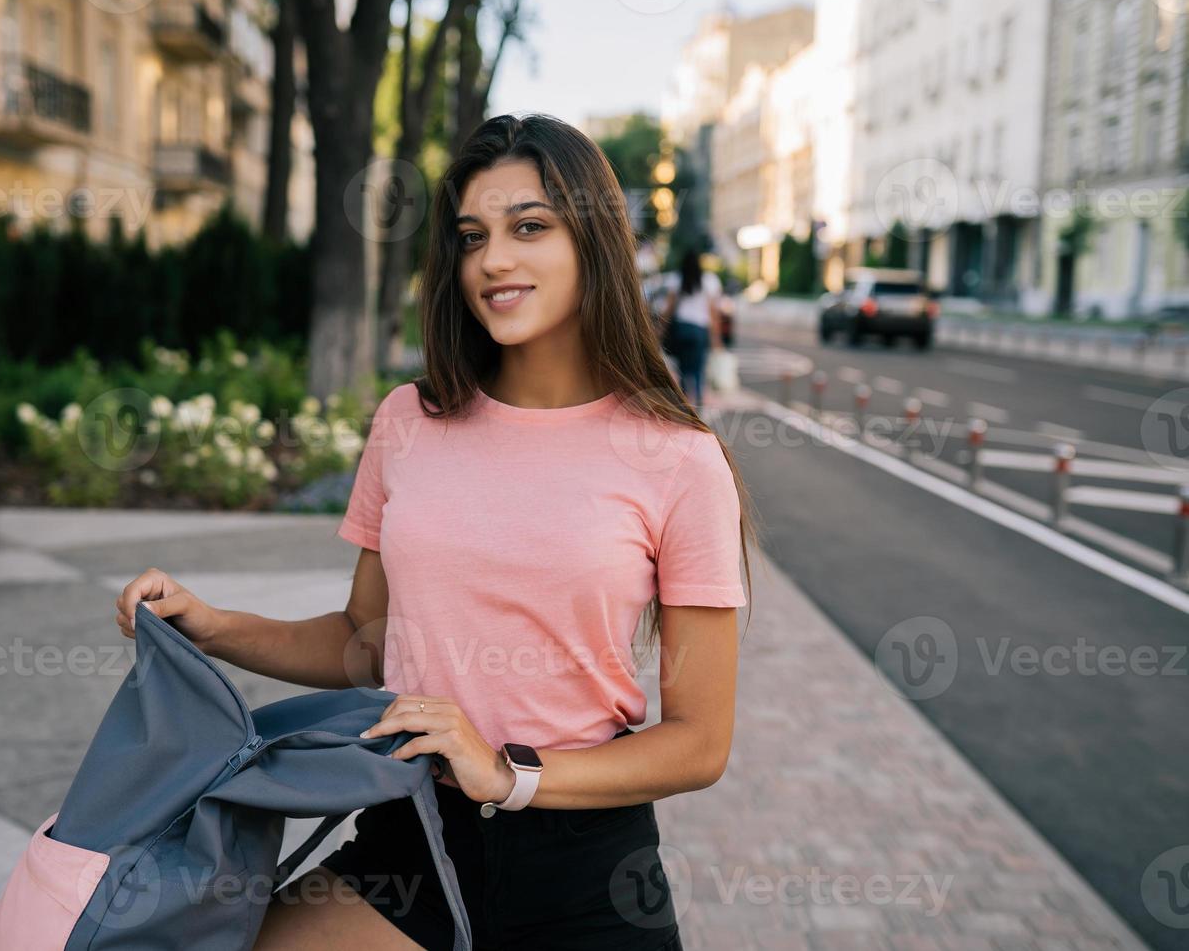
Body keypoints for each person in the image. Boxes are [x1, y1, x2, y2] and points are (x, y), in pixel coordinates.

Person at [114, 113, 757, 951]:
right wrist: (209, 624)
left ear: (592, 243)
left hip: (585, 871)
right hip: (407, 838)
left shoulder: (678, 458)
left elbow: (699, 743)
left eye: (530, 227)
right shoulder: (410, 420)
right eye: (470, 236)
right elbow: (364, 640)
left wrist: (507, 773)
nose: (493, 260)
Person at [662, 250, 725, 408]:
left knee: (683, 368)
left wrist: (660, 329)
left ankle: (684, 406)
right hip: (700, 330)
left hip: (681, 328)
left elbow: (668, 309)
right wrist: (716, 337)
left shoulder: (676, 279)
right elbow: (713, 312)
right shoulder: (708, 280)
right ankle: (698, 403)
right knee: (698, 369)